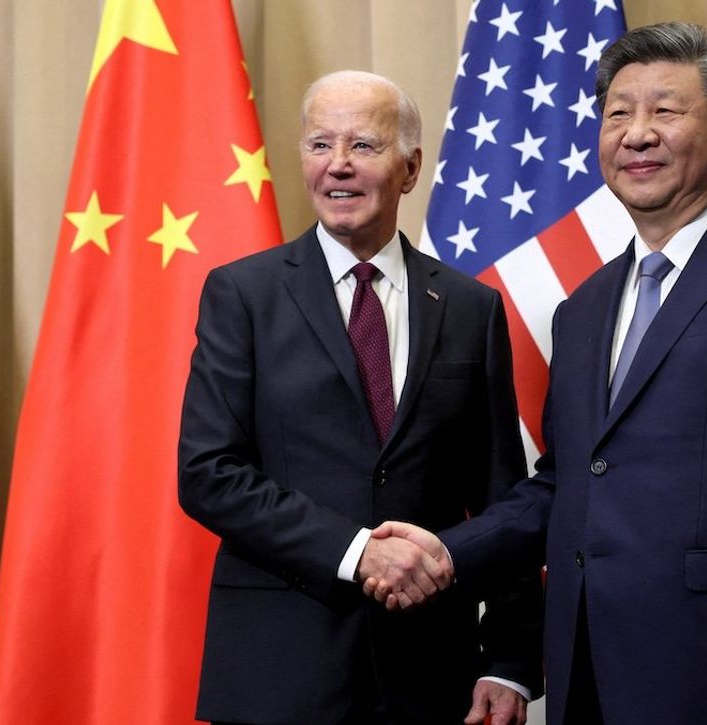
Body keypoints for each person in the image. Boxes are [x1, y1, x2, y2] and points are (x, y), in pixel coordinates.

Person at [367, 22, 707, 725]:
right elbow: (569, 481)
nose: (636, 134)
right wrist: (445, 551)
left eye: (665, 111)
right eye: (618, 114)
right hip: (588, 665)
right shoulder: (582, 308)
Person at [178, 70, 543, 725]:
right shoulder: (243, 295)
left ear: (409, 168)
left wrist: (509, 658)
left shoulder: (470, 307)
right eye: (320, 145)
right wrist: (356, 550)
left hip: (433, 676)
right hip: (281, 671)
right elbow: (208, 473)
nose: (337, 165)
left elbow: (501, 495)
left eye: (363, 146)